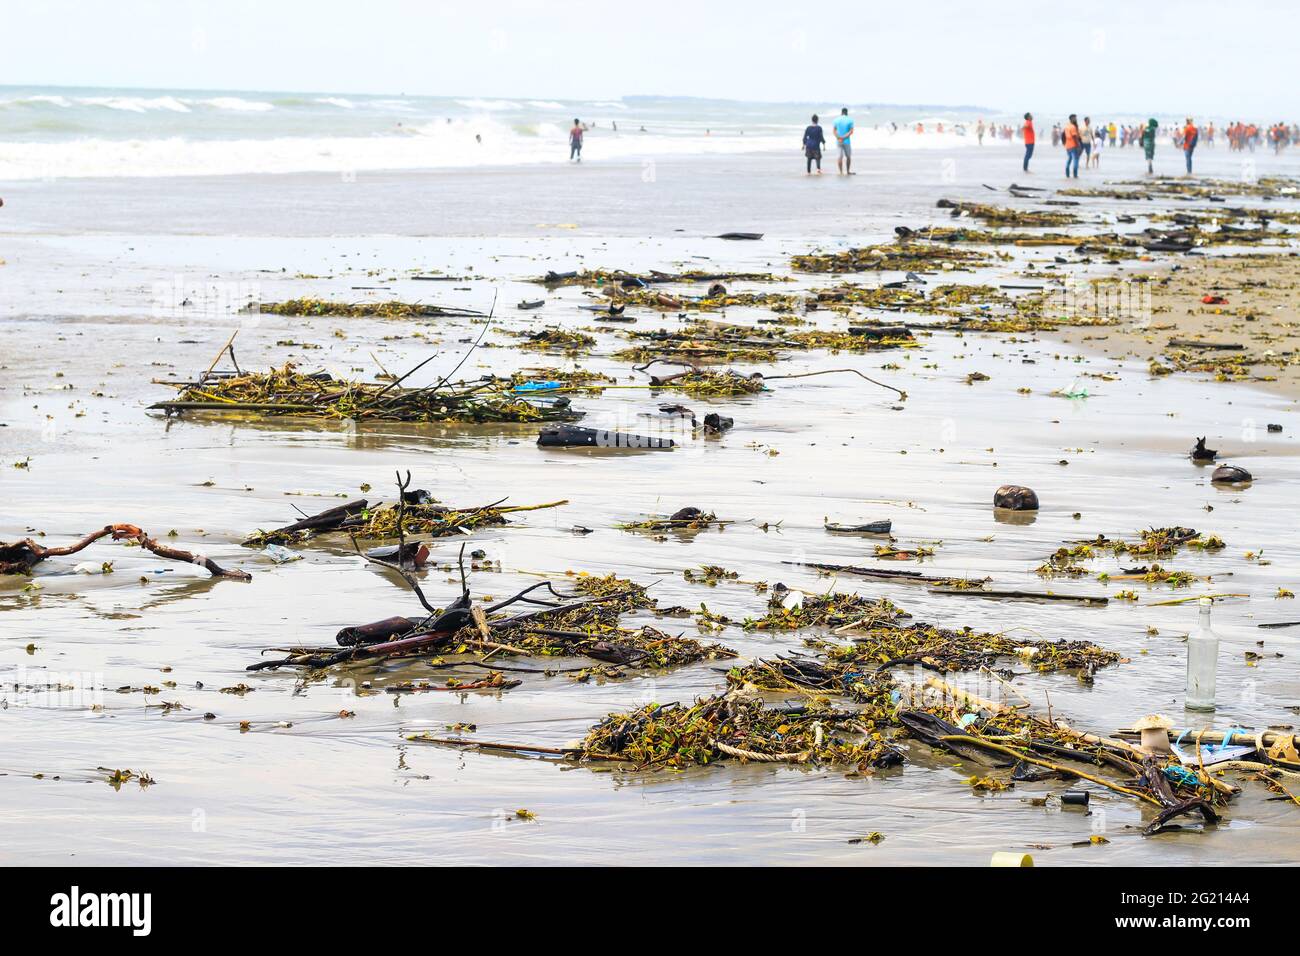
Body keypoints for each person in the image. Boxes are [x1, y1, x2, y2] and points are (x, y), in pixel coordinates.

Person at [833, 107, 855, 175]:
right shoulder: (850, 120)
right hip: (846, 141)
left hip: (838, 141)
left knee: (839, 157)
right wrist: (844, 137)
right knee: (848, 157)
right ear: (847, 113)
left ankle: (841, 172)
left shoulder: (836, 120)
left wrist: (838, 137)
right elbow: (851, 131)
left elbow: (834, 131)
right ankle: (848, 171)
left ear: (841, 113)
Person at [1062, 114, 1082, 178]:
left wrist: (1064, 143)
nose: (1076, 119)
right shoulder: (1073, 127)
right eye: (1075, 118)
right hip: (1073, 145)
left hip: (1068, 146)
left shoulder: (1067, 126)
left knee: (1069, 159)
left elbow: (1063, 135)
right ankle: (1075, 175)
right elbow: (1074, 137)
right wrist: (1078, 145)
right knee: (1076, 160)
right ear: (1072, 119)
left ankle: (1067, 175)